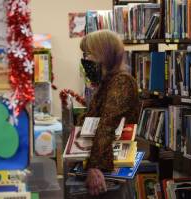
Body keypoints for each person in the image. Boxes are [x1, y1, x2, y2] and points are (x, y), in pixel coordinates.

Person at [79, 30, 140, 198]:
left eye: (90, 54)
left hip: (110, 172)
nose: (86, 59)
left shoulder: (122, 82)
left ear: (104, 54)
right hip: (104, 169)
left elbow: (107, 124)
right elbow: (88, 121)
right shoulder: (107, 82)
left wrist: (94, 167)